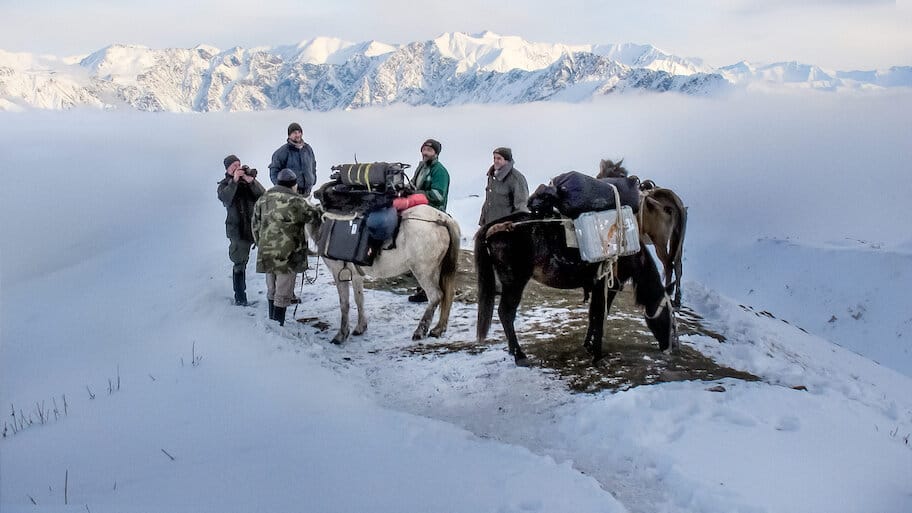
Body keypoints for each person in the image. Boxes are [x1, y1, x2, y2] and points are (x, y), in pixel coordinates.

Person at [252, 168, 317, 325]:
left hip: (266, 251)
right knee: (283, 289)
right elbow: (315, 216)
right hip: (288, 254)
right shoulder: (296, 201)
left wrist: (260, 243)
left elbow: (255, 225)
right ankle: (278, 326)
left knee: (272, 288)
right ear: (294, 185)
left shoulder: (262, 199)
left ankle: (272, 321)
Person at [217, 154, 266, 306]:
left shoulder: (247, 181)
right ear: (227, 169)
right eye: (233, 165)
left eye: (238, 164)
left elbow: (263, 196)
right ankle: (240, 297)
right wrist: (235, 181)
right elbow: (225, 198)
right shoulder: (224, 185)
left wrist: (252, 181)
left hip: (253, 228)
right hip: (237, 230)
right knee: (239, 263)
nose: (237, 167)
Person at [408, 138, 451, 302]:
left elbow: (438, 195)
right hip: (419, 209)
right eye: (424, 149)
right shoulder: (421, 168)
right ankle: (422, 288)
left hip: (433, 212)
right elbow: (413, 185)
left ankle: (429, 289)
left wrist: (417, 194)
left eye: (429, 150)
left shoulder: (439, 171)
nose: (425, 152)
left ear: (436, 153)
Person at [479, 147, 529, 226]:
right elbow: (489, 202)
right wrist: (482, 221)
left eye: (499, 158)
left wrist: (515, 226)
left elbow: (521, 207)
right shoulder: (492, 176)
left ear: (507, 160)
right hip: (490, 226)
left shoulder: (516, 178)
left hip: (505, 228)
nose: (496, 161)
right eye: (494, 158)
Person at [269, 122, 317, 196]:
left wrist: (313, 179)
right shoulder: (283, 152)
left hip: (307, 192)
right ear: (289, 135)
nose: (297, 135)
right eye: (294, 133)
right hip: (291, 194)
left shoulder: (307, 149)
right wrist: (281, 188)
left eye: (299, 132)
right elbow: (274, 171)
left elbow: (313, 165)